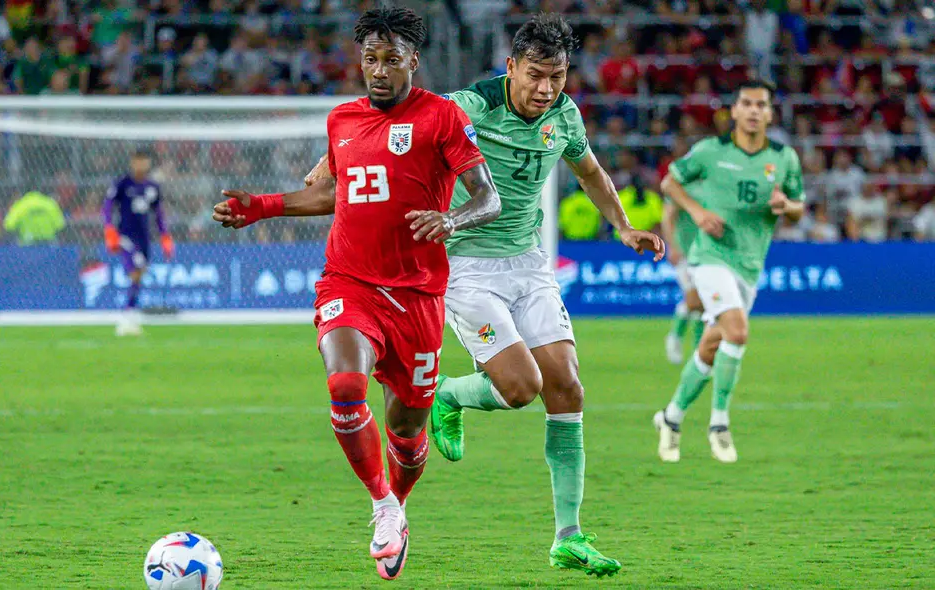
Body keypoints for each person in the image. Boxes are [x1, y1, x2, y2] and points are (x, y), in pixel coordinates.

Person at [302, 14, 663, 578]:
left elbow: (590, 173)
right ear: (512, 67)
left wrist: (621, 226)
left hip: (529, 263)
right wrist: (331, 159)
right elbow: (393, 115)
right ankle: (446, 394)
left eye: (558, 76)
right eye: (536, 75)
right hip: (466, 265)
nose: (546, 88)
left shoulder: (564, 116)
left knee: (567, 386)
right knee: (522, 388)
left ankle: (567, 535)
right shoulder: (470, 106)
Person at [212, 8, 501, 581]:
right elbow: (334, 195)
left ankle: (400, 501)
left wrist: (452, 220)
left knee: (408, 432)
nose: (379, 70)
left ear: (413, 61)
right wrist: (262, 208)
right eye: (370, 58)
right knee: (345, 386)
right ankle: (383, 507)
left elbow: (488, 199)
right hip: (350, 281)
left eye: (392, 59)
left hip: (418, 297)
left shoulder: (442, 118)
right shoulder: (341, 120)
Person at [654, 80, 806, 464]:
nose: (754, 111)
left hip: (750, 264)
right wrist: (697, 211)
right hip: (709, 257)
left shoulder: (784, 158)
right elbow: (669, 182)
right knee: (737, 332)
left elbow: (799, 207)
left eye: (761, 105)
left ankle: (671, 418)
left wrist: (785, 205)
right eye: (747, 104)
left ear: (770, 114)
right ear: (735, 111)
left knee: (711, 344)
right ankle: (719, 423)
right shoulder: (709, 152)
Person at [102, 150, 174, 336]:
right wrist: (109, 229)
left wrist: (164, 235)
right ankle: (126, 318)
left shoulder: (152, 187)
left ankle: (129, 315)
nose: (141, 165)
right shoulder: (123, 183)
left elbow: (158, 213)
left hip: (144, 238)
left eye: (145, 161)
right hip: (125, 235)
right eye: (138, 161)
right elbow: (108, 205)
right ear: (132, 162)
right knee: (136, 271)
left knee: (139, 273)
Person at [662, 199, 705, 364]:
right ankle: (674, 336)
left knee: (704, 304)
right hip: (685, 252)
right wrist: (672, 246)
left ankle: (699, 351)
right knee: (694, 300)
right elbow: (668, 217)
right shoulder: (681, 186)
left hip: (706, 253)